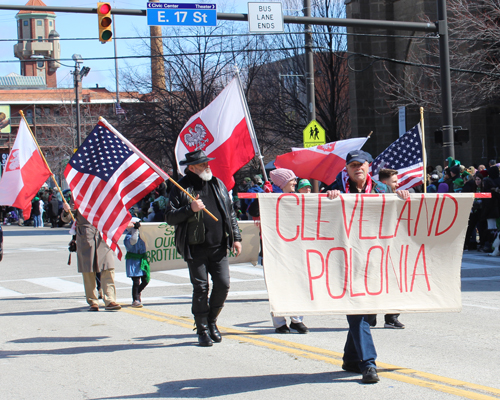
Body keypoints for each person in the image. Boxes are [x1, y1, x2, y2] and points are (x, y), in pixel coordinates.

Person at [326, 150, 409, 384]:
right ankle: (368, 364)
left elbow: (396, 215)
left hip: (374, 259)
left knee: (368, 312)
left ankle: (350, 359)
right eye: (352, 165)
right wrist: (328, 198)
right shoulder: (336, 189)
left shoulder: (382, 190)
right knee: (357, 310)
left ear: (368, 166)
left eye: (360, 164)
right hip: (346, 260)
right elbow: (318, 215)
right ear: (347, 169)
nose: (357, 169)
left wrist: (400, 196)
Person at [166, 150, 242, 347]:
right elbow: (170, 217)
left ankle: (211, 320)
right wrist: (189, 209)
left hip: (219, 246)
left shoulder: (217, 184)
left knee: (223, 285)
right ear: (191, 168)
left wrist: (236, 237)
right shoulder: (180, 187)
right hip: (195, 248)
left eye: (207, 163)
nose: (207, 166)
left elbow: (230, 212)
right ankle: (202, 329)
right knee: (200, 288)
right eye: (202, 164)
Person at [268, 168, 309, 334]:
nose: (295, 183)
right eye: (292, 180)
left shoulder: (299, 198)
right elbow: (257, 214)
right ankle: (279, 322)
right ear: (283, 183)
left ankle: (297, 320)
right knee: (278, 285)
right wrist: (262, 199)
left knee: (299, 283)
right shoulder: (270, 199)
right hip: (277, 249)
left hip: (296, 248)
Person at [62, 202, 121, 312]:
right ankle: (93, 301)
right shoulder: (78, 192)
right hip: (86, 236)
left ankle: (110, 300)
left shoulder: (105, 190)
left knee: (108, 268)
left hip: (103, 235)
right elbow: (68, 218)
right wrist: (66, 211)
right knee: (88, 270)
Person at [376, 169, 406, 329]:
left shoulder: (399, 196)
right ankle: (369, 315)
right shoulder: (373, 195)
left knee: (395, 281)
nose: (398, 184)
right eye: (395, 182)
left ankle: (392, 317)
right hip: (376, 246)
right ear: (384, 184)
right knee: (374, 282)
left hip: (394, 247)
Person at [124, 218, 149, 307]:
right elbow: (133, 241)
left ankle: (137, 292)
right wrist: (135, 230)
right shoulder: (128, 237)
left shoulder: (143, 235)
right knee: (136, 281)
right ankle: (136, 299)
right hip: (133, 261)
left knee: (146, 280)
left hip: (143, 260)